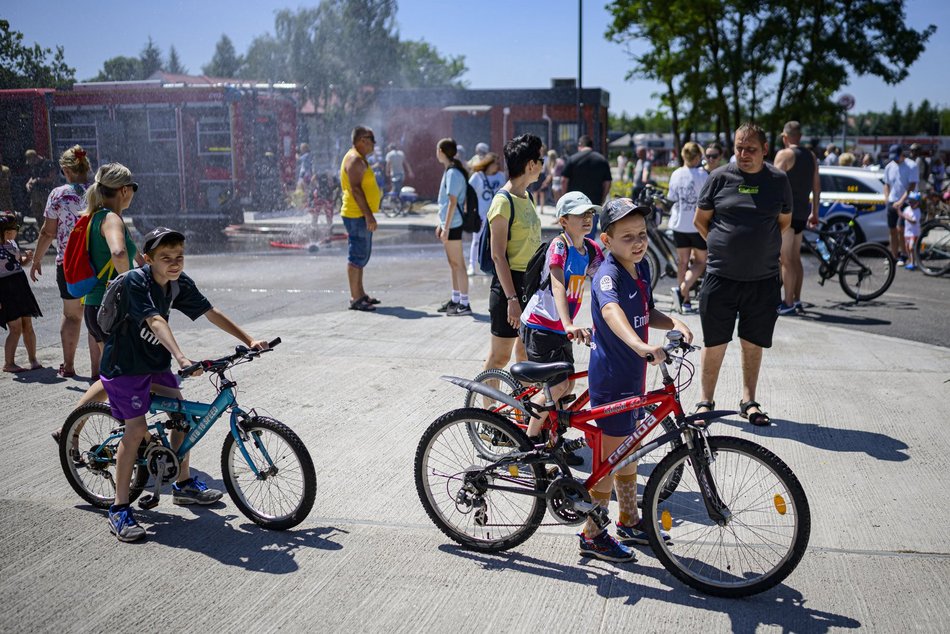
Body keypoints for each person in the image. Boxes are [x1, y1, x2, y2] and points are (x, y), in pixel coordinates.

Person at [102, 227, 268, 542]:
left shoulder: (178, 283)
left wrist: (249, 339)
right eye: (165, 258)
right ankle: (119, 507)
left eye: (179, 256)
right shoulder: (139, 281)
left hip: (153, 364)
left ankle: (183, 484)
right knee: (135, 430)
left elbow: (210, 312)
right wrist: (181, 357)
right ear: (148, 258)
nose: (174, 263)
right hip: (124, 366)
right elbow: (155, 320)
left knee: (182, 414)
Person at [580, 198, 691, 562]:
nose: (639, 243)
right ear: (607, 240)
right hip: (612, 377)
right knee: (610, 460)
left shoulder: (639, 270)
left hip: (634, 375)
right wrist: (640, 345)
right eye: (628, 237)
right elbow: (612, 313)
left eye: (642, 234)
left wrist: (673, 322)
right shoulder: (607, 274)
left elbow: (645, 310)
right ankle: (592, 534)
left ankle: (629, 519)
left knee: (628, 452)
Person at [693, 122, 792, 427]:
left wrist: (755, 246)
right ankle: (705, 403)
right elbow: (701, 221)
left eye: (751, 148)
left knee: (752, 342)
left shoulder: (778, 180)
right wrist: (726, 247)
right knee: (715, 342)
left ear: (765, 149)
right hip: (720, 277)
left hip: (762, 280)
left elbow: (783, 222)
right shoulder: (719, 177)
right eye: (738, 147)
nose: (743, 154)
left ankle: (748, 401)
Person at [520, 191, 604, 467]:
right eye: (580, 214)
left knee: (568, 385)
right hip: (541, 324)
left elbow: (605, 282)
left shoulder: (591, 249)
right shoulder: (560, 246)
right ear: (564, 220)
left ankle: (555, 438)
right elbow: (558, 283)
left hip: (561, 329)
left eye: (590, 213)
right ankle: (531, 442)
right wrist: (568, 323)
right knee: (556, 386)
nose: (587, 219)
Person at [483, 133, 544, 373]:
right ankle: (485, 409)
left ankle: (522, 410)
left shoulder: (526, 196)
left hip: (531, 282)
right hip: (510, 285)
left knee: (525, 353)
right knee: (499, 357)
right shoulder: (503, 201)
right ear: (530, 164)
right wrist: (512, 300)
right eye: (540, 161)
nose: (542, 167)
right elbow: (497, 255)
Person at [30, 145, 92, 378]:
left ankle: (69, 366)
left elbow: (47, 233)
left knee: (72, 315)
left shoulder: (58, 195)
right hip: (98, 264)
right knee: (96, 315)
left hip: (69, 265)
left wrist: (36, 260)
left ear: (66, 170)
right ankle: (99, 370)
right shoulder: (100, 192)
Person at [774, 121, 820, 315]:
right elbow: (817, 186)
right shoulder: (811, 156)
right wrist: (815, 212)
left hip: (786, 214)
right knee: (795, 259)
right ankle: (798, 300)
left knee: (785, 260)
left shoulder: (784, 155)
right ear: (800, 136)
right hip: (802, 213)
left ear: (785, 137)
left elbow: (772, 184)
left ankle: (788, 302)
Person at [340, 126, 383, 312]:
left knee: (361, 254)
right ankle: (355, 298)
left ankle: (360, 293)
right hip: (357, 214)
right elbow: (356, 189)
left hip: (359, 214)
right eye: (371, 139)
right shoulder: (355, 159)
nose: (374, 143)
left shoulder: (359, 158)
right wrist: (368, 215)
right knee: (356, 255)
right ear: (362, 140)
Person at [666, 142, 708, 314]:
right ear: (698, 156)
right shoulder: (703, 174)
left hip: (679, 224)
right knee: (700, 261)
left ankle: (685, 300)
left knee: (682, 262)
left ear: (683, 156)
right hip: (697, 225)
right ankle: (684, 289)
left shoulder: (676, 174)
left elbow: (672, 197)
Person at [0, 212, 43, 373]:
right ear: (5, 231)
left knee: (28, 325)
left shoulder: (12, 244)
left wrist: (28, 259)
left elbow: (18, 264)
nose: (17, 231)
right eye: (15, 228)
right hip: (5, 291)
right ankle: (8, 363)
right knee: (15, 328)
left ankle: (33, 359)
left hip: (20, 287)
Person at [434, 138, 472, 317]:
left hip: (454, 224)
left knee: (459, 264)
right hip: (449, 223)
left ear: (441, 151)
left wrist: (446, 227)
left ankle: (464, 303)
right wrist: (441, 225)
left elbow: (452, 201)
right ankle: (456, 299)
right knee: (453, 264)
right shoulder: (450, 171)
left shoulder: (453, 173)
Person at [561, 135, 612, 238]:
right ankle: (588, 253)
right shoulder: (602, 160)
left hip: (574, 205)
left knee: (572, 236)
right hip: (593, 204)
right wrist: (602, 199)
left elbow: (564, 180)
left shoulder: (572, 159)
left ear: (580, 145)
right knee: (589, 235)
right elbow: (607, 182)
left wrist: (565, 197)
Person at [467, 152, 505, 276]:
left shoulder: (501, 176)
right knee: (477, 240)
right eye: (496, 164)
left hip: (497, 214)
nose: (497, 166)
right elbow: (468, 194)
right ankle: (472, 265)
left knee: (497, 241)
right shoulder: (477, 177)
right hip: (481, 214)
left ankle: (492, 265)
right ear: (489, 164)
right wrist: (469, 211)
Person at [882, 144, 918, 264]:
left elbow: (911, 186)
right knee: (892, 230)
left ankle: (904, 255)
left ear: (902, 154)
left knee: (901, 229)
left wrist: (901, 201)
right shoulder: (889, 167)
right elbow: (886, 184)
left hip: (907, 202)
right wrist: (887, 198)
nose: (895, 160)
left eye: (897, 157)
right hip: (892, 201)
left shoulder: (911, 166)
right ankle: (893, 255)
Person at [24, 149, 57, 223]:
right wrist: (28, 184)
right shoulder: (34, 166)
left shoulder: (47, 164)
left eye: (31, 161)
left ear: (35, 157)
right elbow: (32, 177)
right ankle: (41, 230)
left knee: (47, 214)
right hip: (35, 194)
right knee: (37, 214)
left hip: (45, 193)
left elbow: (52, 178)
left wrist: (39, 180)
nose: (30, 163)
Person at [901, 191, 922, 271]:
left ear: (917, 203)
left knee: (911, 247)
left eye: (913, 202)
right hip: (907, 232)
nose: (911, 203)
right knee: (907, 248)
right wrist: (898, 209)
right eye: (910, 201)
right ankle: (911, 262)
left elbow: (914, 221)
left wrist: (905, 216)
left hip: (914, 232)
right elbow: (902, 215)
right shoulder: (907, 209)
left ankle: (913, 263)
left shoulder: (917, 211)